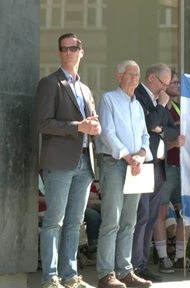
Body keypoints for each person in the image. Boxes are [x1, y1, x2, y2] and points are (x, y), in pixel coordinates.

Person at [36, 32, 101, 288]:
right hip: (60, 163)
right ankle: (50, 278)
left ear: (81, 53)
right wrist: (79, 127)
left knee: (75, 222)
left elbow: (92, 121)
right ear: (60, 53)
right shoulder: (50, 83)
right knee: (54, 222)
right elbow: (43, 123)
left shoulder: (85, 88)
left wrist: (95, 128)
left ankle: (69, 276)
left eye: (72, 48)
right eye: (63, 49)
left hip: (85, 162)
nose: (68, 52)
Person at [95, 60, 152, 288]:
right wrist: (128, 156)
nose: (135, 79)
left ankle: (125, 270)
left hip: (135, 166)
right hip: (115, 165)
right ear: (119, 76)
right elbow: (107, 133)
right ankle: (106, 273)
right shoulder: (108, 99)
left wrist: (140, 154)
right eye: (130, 74)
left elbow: (146, 137)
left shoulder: (138, 106)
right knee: (112, 220)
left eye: (138, 74)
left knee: (130, 221)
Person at [132, 63, 180, 281]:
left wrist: (159, 128)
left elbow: (175, 132)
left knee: (151, 217)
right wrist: (160, 109)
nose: (165, 89)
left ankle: (141, 264)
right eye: (163, 83)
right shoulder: (139, 96)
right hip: (143, 163)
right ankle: (134, 265)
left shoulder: (160, 101)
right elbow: (147, 123)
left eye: (168, 85)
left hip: (159, 165)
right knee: (141, 216)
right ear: (151, 78)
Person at [152, 71, 190, 271]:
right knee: (161, 212)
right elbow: (154, 137)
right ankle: (164, 257)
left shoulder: (180, 108)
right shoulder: (160, 109)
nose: (177, 85)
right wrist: (173, 143)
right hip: (166, 167)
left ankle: (181, 257)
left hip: (185, 168)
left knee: (186, 212)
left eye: (177, 82)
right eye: (173, 82)